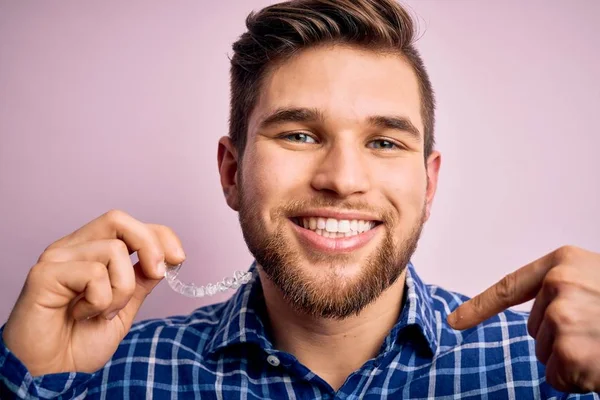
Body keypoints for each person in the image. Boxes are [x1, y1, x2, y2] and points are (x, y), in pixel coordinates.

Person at [1, 0, 599, 398]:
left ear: (429, 183)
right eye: (299, 134)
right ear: (232, 172)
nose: (342, 178)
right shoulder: (103, 375)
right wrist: (24, 378)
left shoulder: (554, 371)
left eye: (385, 141)